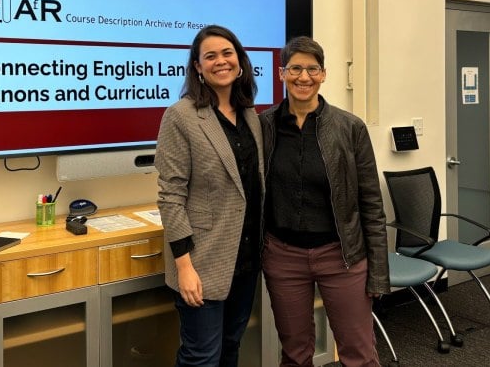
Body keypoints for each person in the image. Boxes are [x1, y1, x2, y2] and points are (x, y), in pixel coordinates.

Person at [259, 36, 390, 367]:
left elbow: (371, 204)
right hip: (283, 258)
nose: (304, 77)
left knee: (358, 353)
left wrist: (377, 273)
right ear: (281, 74)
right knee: (295, 352)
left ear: (324, 74)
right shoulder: (263, 127)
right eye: (296, 68)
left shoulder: (350, 128)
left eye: (312, 69)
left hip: (342, 256)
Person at [154, 25, 264, 367]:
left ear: (240, 61)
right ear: (198, 67)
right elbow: (170, 194)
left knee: (231, 346)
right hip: (202, 261)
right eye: (210, 56)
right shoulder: (181, 116)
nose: (221, 61)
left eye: (227, 53)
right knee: (201, 356)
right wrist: (183, 266)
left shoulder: (249, 113)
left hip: (245, 258)